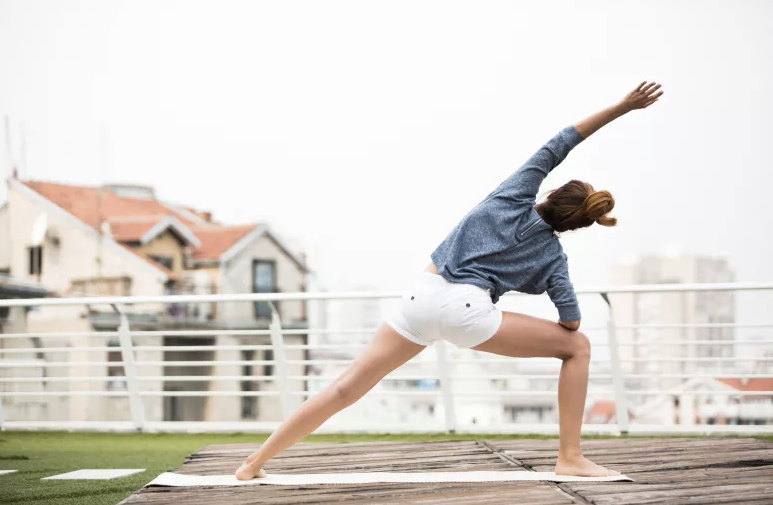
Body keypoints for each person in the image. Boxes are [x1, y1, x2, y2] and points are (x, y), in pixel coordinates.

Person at [236, 81, 664, 480]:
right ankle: (570, 457)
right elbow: (570, 321)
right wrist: (551, 296)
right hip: (468, 314)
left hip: (419, 298)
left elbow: (562, 141)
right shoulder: (553, 257)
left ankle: (256, 462)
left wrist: (623, 106)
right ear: (574, 225)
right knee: (579, 348)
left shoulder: (513, 195)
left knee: (346, 387)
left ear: (549, 194)